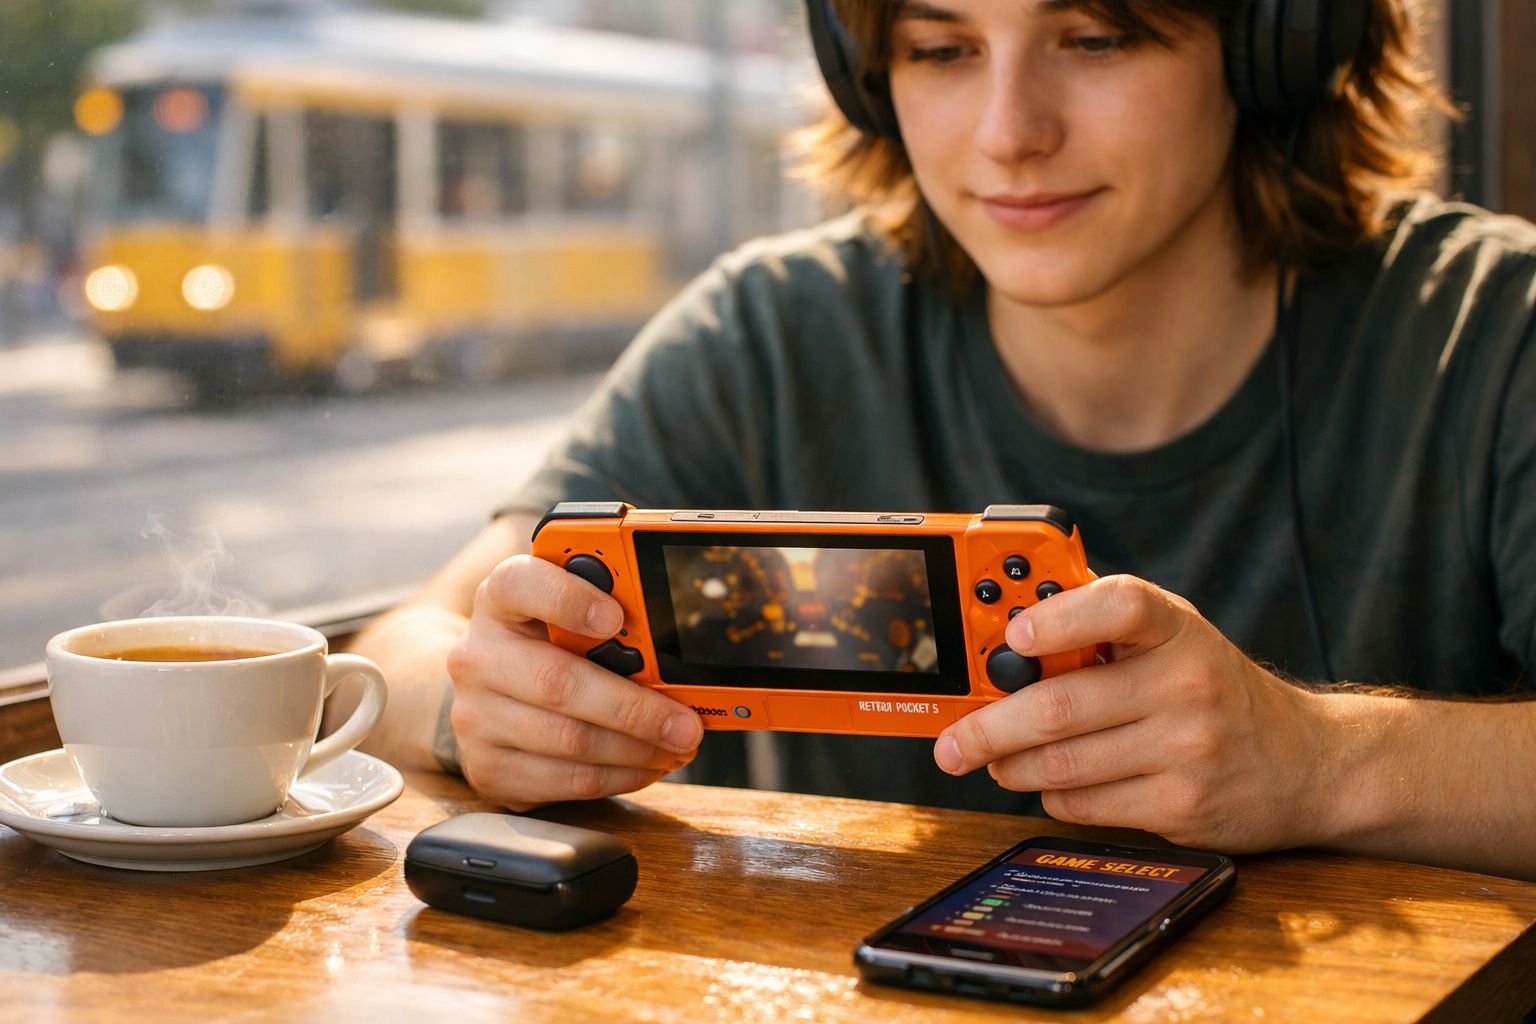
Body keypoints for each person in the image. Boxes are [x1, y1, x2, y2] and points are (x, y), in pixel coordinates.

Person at [342, 0, 1536, 881]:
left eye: (1098, 35)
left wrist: (1321, 759)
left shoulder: (1495, 334)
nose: (1011, 132)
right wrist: (480, 710)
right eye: (943, 49)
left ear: (1281, 43)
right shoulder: (769, 330)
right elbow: (398, 650)